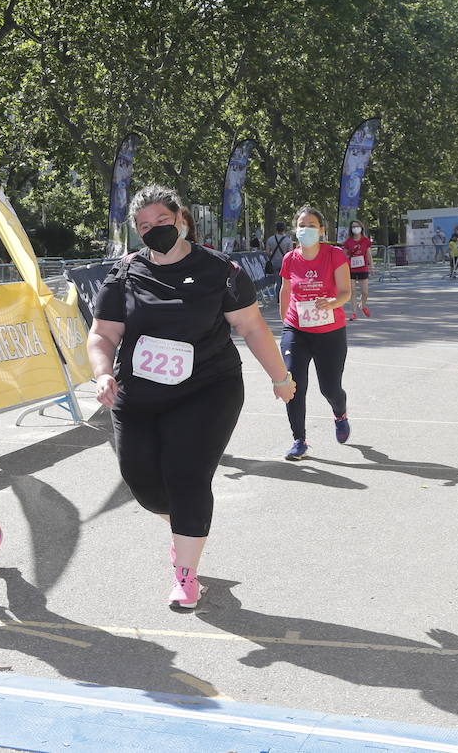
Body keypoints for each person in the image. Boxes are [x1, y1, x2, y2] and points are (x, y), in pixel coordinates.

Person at [87, 185, 295, 609]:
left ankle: (186, 574)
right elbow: (103, 334)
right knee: (142, 482)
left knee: (186, 476)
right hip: (138, 393)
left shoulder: (219, 269)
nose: (153, 230)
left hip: (207, 389)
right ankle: (187, 529)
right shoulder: (124, 274)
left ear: (180, 219)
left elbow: (252, 327)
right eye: (144, 226)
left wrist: (280, 377)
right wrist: (102, 373)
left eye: (161, 222)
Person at [278, 205, 352, 461]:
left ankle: (340, 413)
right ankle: (299, 440)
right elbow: (286, 291)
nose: (305, 229)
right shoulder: (290, 258)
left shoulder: (334, 254)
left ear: (322, 230)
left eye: (311, 225)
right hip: (297, 330)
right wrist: (286, 324)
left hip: (330, 332)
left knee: (330, 388)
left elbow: (345, 292)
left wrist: (331, 303)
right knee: (293, 385)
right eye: (301, 225)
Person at [342, 220, 374, 318]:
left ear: (361, 227)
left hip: (363, 268)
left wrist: (372, 266)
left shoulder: (365, 240)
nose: (355, 228)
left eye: (357, 226)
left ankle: (363, 305)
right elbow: (345, 255)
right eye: (353, 227)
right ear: (351, 229)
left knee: (365, 292)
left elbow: (369, 254)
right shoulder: (348, 241)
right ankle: (354, 312)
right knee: (353, 291)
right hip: (351, 269)